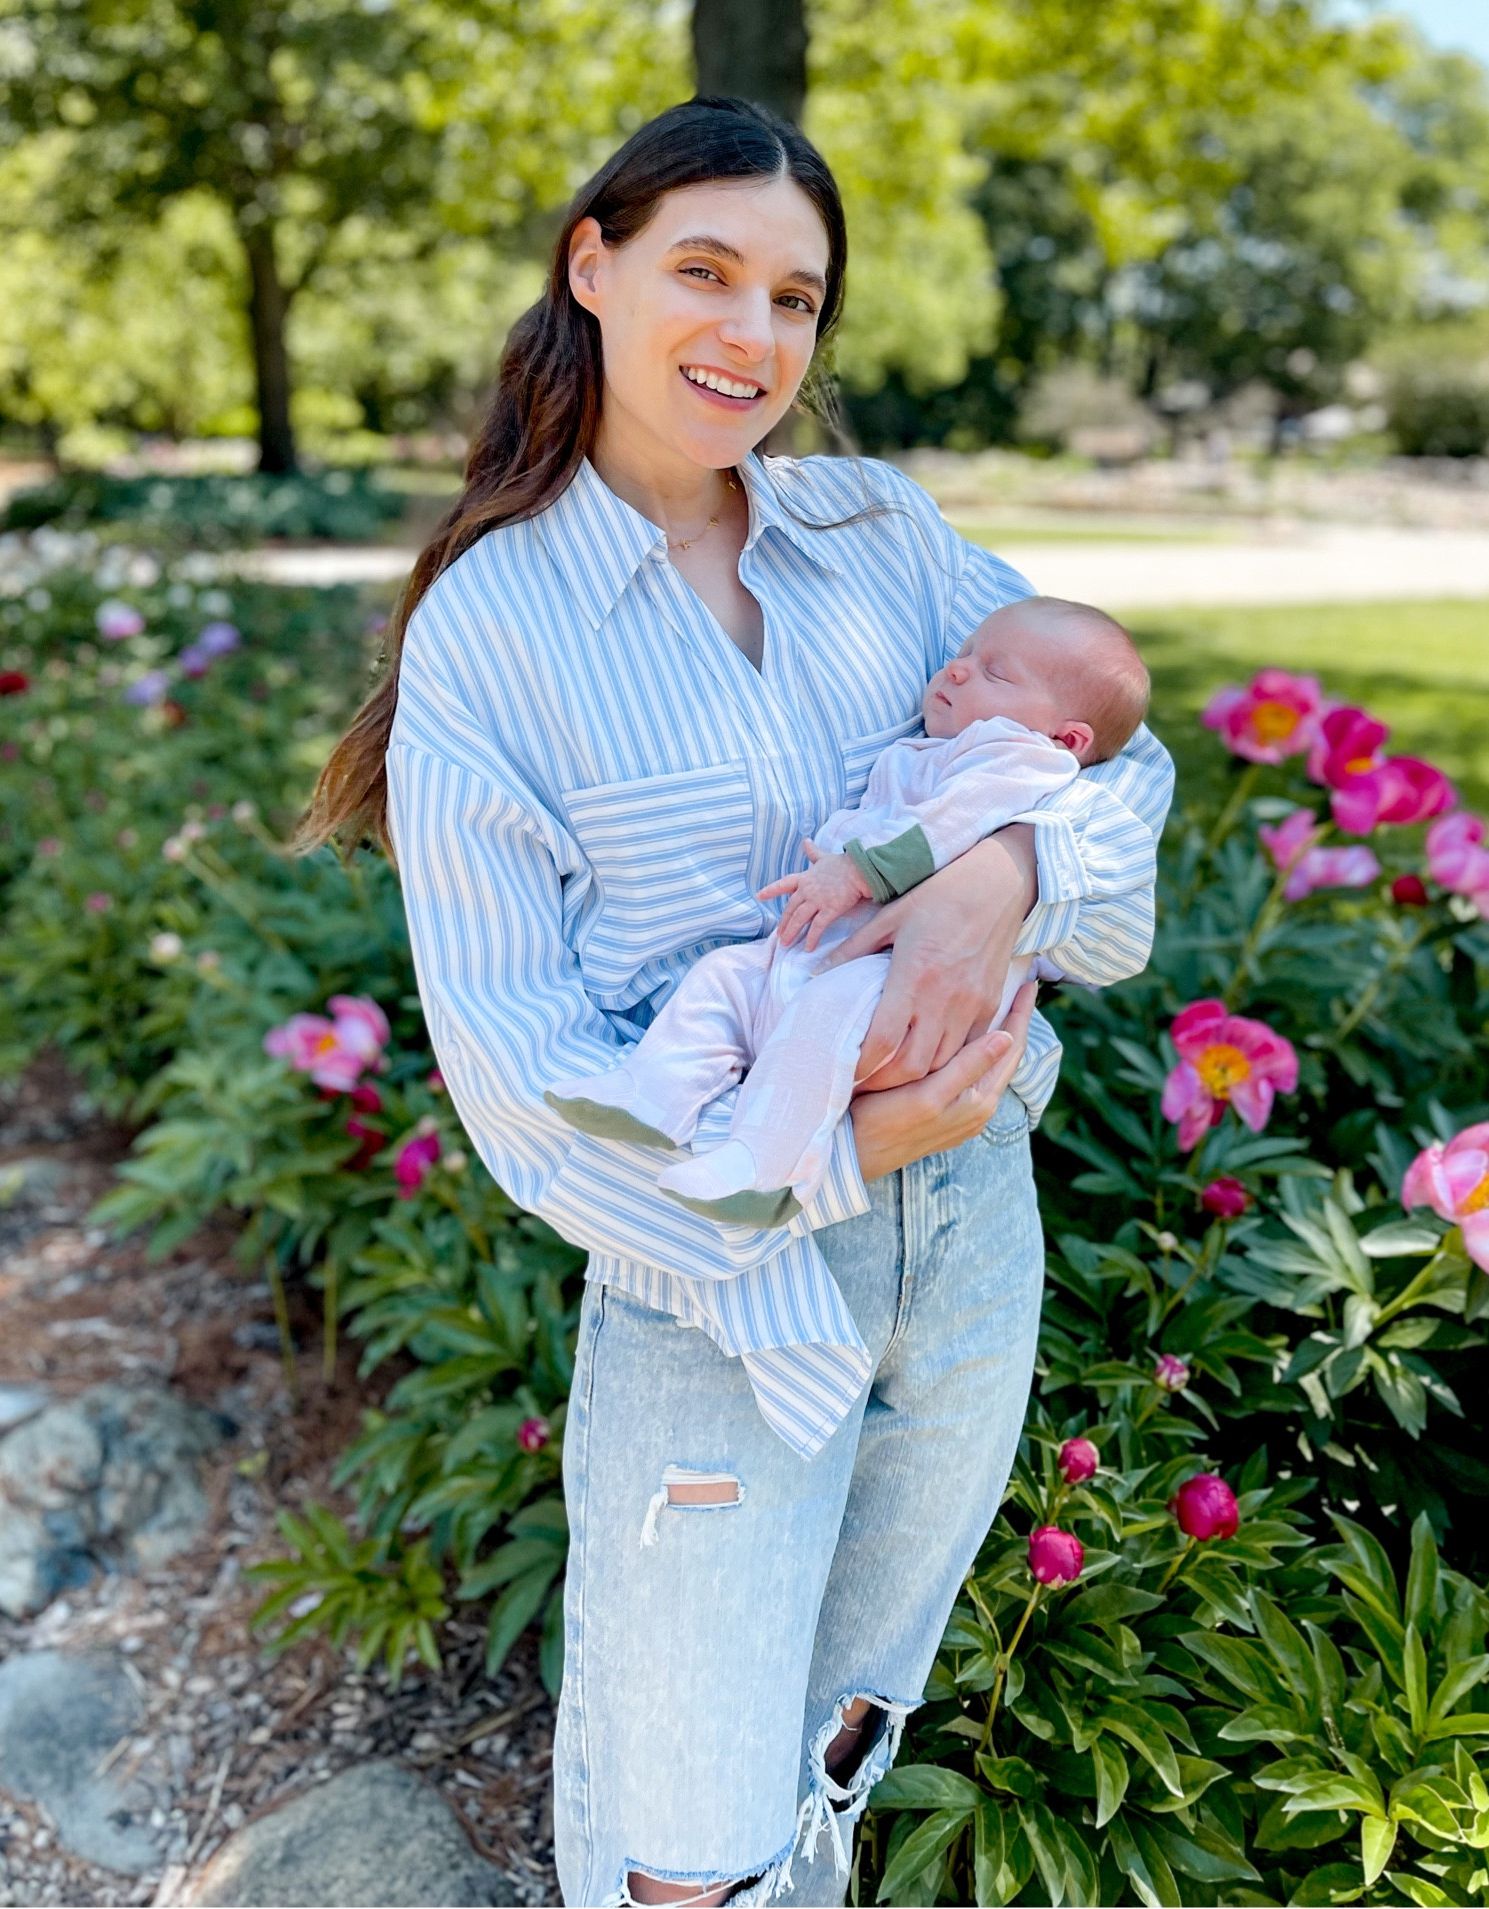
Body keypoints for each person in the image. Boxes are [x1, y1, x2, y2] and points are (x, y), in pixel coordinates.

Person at [302, 96, 1172, 1909]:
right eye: (707, 272)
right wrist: (845, 1146)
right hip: (727, 1275)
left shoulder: (882, 530)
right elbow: (527, 1090)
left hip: (972, 1241)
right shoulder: (496, 628)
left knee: (843, 1737)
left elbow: (1121, 764)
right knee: (684, 1833)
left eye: (795, 297)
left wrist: (999, 884)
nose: (753, 337)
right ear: (592, 263)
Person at [544, 598, 1150, 1226]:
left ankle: (767, 1165)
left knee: (819, 1021)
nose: (959, 670)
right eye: (965, 653)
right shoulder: (943, 750)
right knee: (726, 977)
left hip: (903, 984)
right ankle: (656, 1092)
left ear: (1067, 737)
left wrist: (859, 869)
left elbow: (952, 823)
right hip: (839, 952)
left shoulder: (1023, 761)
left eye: (996, 673)